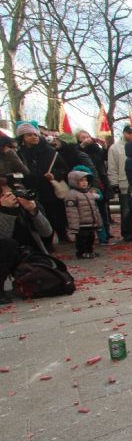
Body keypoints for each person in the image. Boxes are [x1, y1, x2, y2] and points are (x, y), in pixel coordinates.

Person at [0, 174, 54, 304]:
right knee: (8, 244)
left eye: (12, 193)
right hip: (5, 255)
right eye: (4, 194)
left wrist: (33, 211)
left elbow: (47, 232)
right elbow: (3, 236)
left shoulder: (24, 205)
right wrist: (6, 211)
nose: (10, 197)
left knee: (45, 276)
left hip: (26, 253)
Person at [16, 121, 68, 247]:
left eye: (35, 134)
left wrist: (54, 175)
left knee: (54, 214)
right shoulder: (18, 154)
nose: (34, 137)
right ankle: (45, 242)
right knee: (37, 216)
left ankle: (60, 235)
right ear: (22, 137)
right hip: (29, 189)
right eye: (29, 135)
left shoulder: (50, 152)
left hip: (48, 188)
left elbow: (63, 169)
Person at [108, 125, 132, 242]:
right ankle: (127, 233)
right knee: (126, 210)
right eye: (129, 133)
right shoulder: (115, 148)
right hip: (124, 182)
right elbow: (112, 167)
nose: (131, 135)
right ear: (124, 133)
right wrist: (114, 183)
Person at [76, 130, 111, 244]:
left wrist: (104, 146)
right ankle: (97, 234)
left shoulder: (96, 149)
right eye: (83, 137)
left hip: (101, 180)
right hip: (86, 181)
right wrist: (81, 146)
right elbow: (75, 159)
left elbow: (106, 158)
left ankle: (106, 232)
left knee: (103, 208)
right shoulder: (78, 151)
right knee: (92, 210)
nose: (86, 139)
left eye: (87, 137)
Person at [65, 170, 102, 259]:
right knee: (82, 239)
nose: (84, 183)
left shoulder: (88, 193)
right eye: (81, 181)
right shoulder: (72, 195)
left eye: (85, 180)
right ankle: (81, 253)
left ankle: (89, 251)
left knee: (91, 237)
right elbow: (71, 212)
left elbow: (95, 208)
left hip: (91, 222)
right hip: (81, 223)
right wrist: (74, 226)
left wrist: (98, 220)